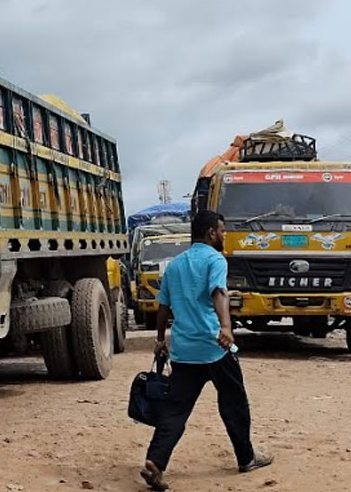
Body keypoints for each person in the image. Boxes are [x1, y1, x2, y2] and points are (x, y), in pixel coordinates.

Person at [141, 210, 272, 491]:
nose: (224, 236)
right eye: (222, 231)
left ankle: (155, 461)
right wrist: (226, 327)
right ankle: (246, 457)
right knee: (235, 403)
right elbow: (219, 293)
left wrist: (160, 339)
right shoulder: (215, 259)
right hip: (216, 347)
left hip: (184, 350)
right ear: (212, 232)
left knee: (175, 410)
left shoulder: (174, 266)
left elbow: (162, 307)